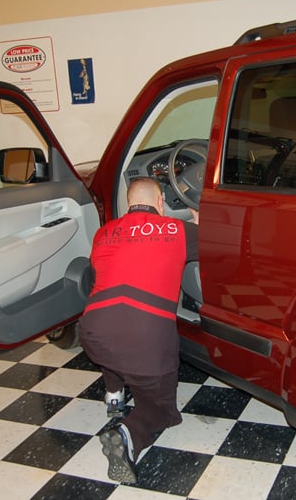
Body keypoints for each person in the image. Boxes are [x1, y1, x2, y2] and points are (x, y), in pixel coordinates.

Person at [78, 177, 199, 484]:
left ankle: (114, 395)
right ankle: (126, 434)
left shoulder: (103, 233)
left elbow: (100, 272)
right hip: (146, 336)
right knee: (160, 410)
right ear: (161, 203)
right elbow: (217, 247)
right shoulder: (178, 230)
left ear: (128, 203)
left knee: (111, 339)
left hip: (92, 329)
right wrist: (198, 222)